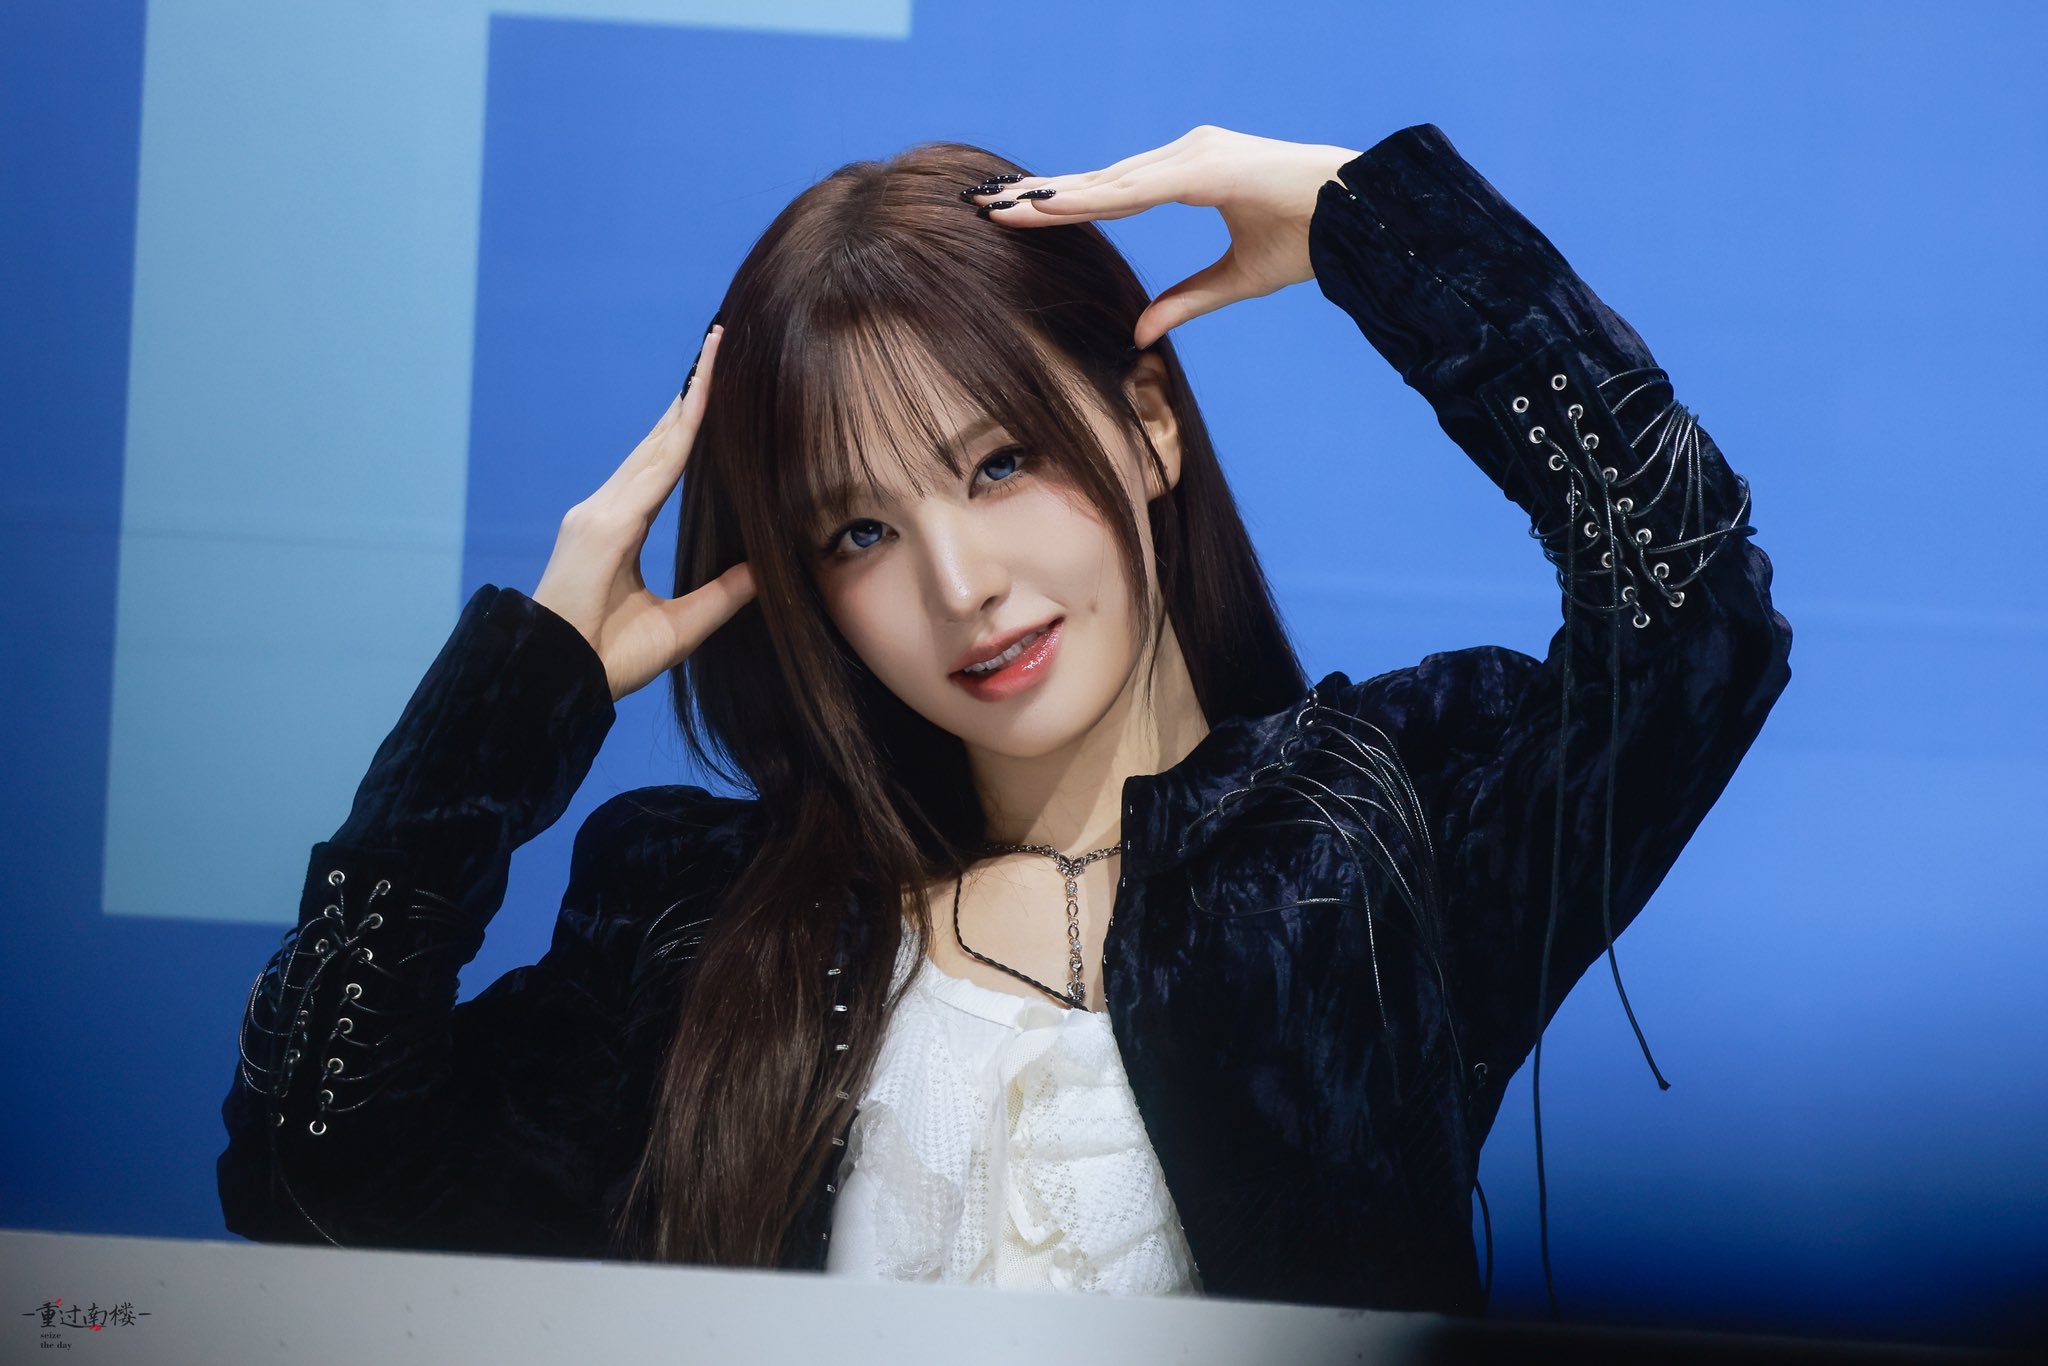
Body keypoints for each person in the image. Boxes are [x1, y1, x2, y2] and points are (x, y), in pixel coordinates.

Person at [218, 122, 1792, 1318]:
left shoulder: (1379, 833)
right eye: (858, 531)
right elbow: (309, 1173)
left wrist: (1359, 219)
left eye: (996, 464)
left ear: (1148, 424)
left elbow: (1698, 617)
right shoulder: (701, 921)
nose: (961, 585)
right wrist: (515, 700)